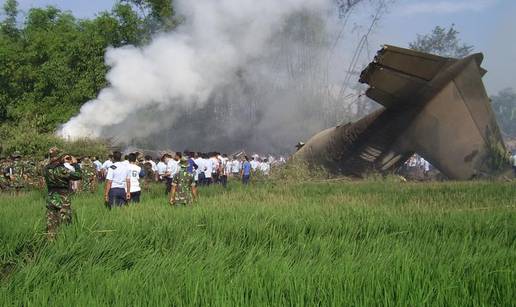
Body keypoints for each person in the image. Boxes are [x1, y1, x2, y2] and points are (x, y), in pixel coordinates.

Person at [43, 147, 82, 240]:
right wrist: (75, 164)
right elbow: (78, 176)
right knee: (65, 222)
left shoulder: (46, 169)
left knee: (51, 223)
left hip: (50, 196)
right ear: (59, 157)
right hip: (62, 197)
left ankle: (50, 242)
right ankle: (64, 241)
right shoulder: (61, 169)